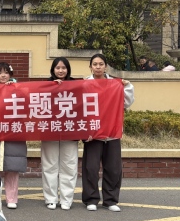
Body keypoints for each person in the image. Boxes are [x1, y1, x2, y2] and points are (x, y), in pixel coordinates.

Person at [82, 53, 134, 212]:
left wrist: (126, 87)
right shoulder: (85, 84)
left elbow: (127, 103)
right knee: (91, 168)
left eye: (101, 64)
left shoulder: (115, 84)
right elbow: (79, 108)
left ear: (106, 66)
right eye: (95, 64)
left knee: (113, 168)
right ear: (90, 67)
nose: (98, 67)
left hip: (112, 133)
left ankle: (110, 200)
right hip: (93, 133)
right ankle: (91, 199)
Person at [40, 57, 78, 211]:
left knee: (69, 166)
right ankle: (50, 198)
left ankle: (66, 199)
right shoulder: (45, 85)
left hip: (70, 131)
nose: (61, 71)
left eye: (63, 68)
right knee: (49, 166)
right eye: (58, 68)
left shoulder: (77, 85)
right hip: (50, 131)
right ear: (53, 69)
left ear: (68, 69)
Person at [0, 62, 27, 209]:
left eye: (6, 72)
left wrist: (15, 89)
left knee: (12, 168)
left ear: (10, 74)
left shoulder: (19, 89)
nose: (3, 76)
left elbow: (27, 105)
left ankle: (11, 198)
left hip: (13, 132)